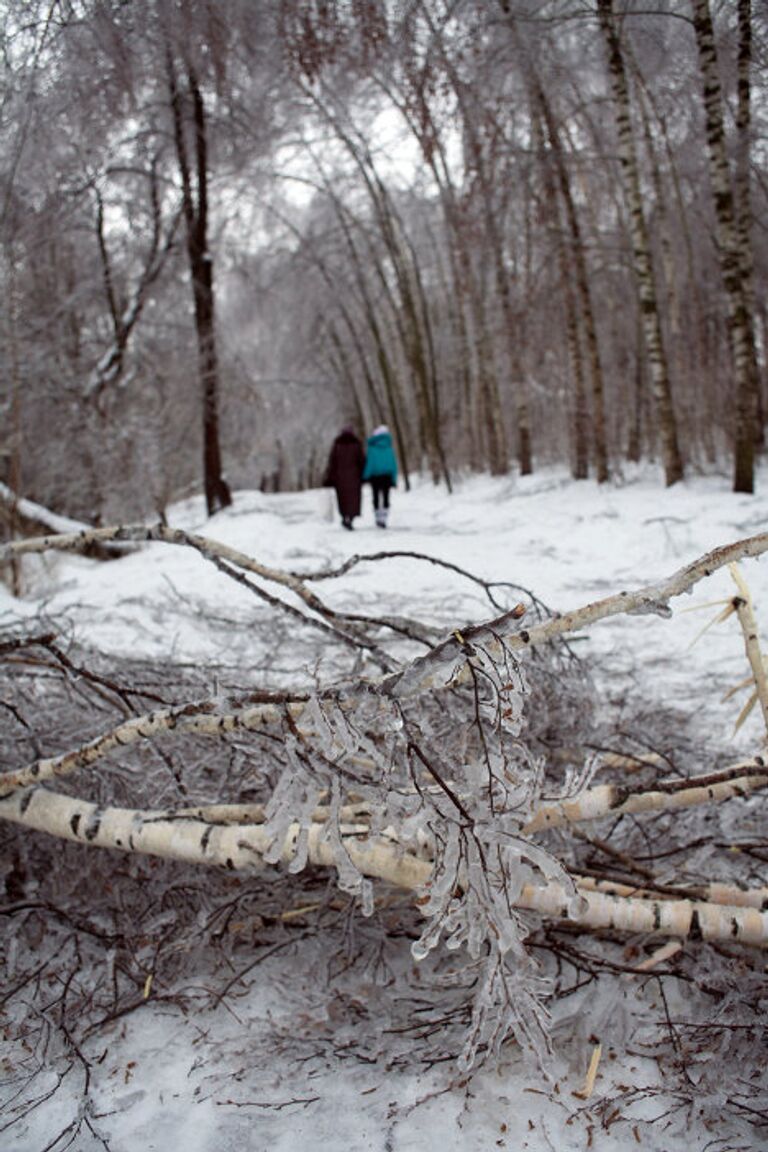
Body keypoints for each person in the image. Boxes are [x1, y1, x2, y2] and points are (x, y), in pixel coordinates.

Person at [323, 425, 364, 530]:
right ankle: (350, 518)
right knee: (354, 499)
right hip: (354, 477)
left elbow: (332, 462)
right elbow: (361, 461)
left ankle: (345, 517)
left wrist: (329, 477)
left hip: (340, 477)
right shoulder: (356, 444)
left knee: (343, 499)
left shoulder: (337, 445)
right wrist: (363, 475)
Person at [362, 423, 398, 528]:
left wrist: (365, 476)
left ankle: (378, 518)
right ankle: (384, 518)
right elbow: (393, 464)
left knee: (376, 497)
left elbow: (370, 463)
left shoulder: (372, 448)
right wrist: (394, 478)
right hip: (387, 476)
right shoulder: (389, 448)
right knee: (386, 497)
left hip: (375, 476)